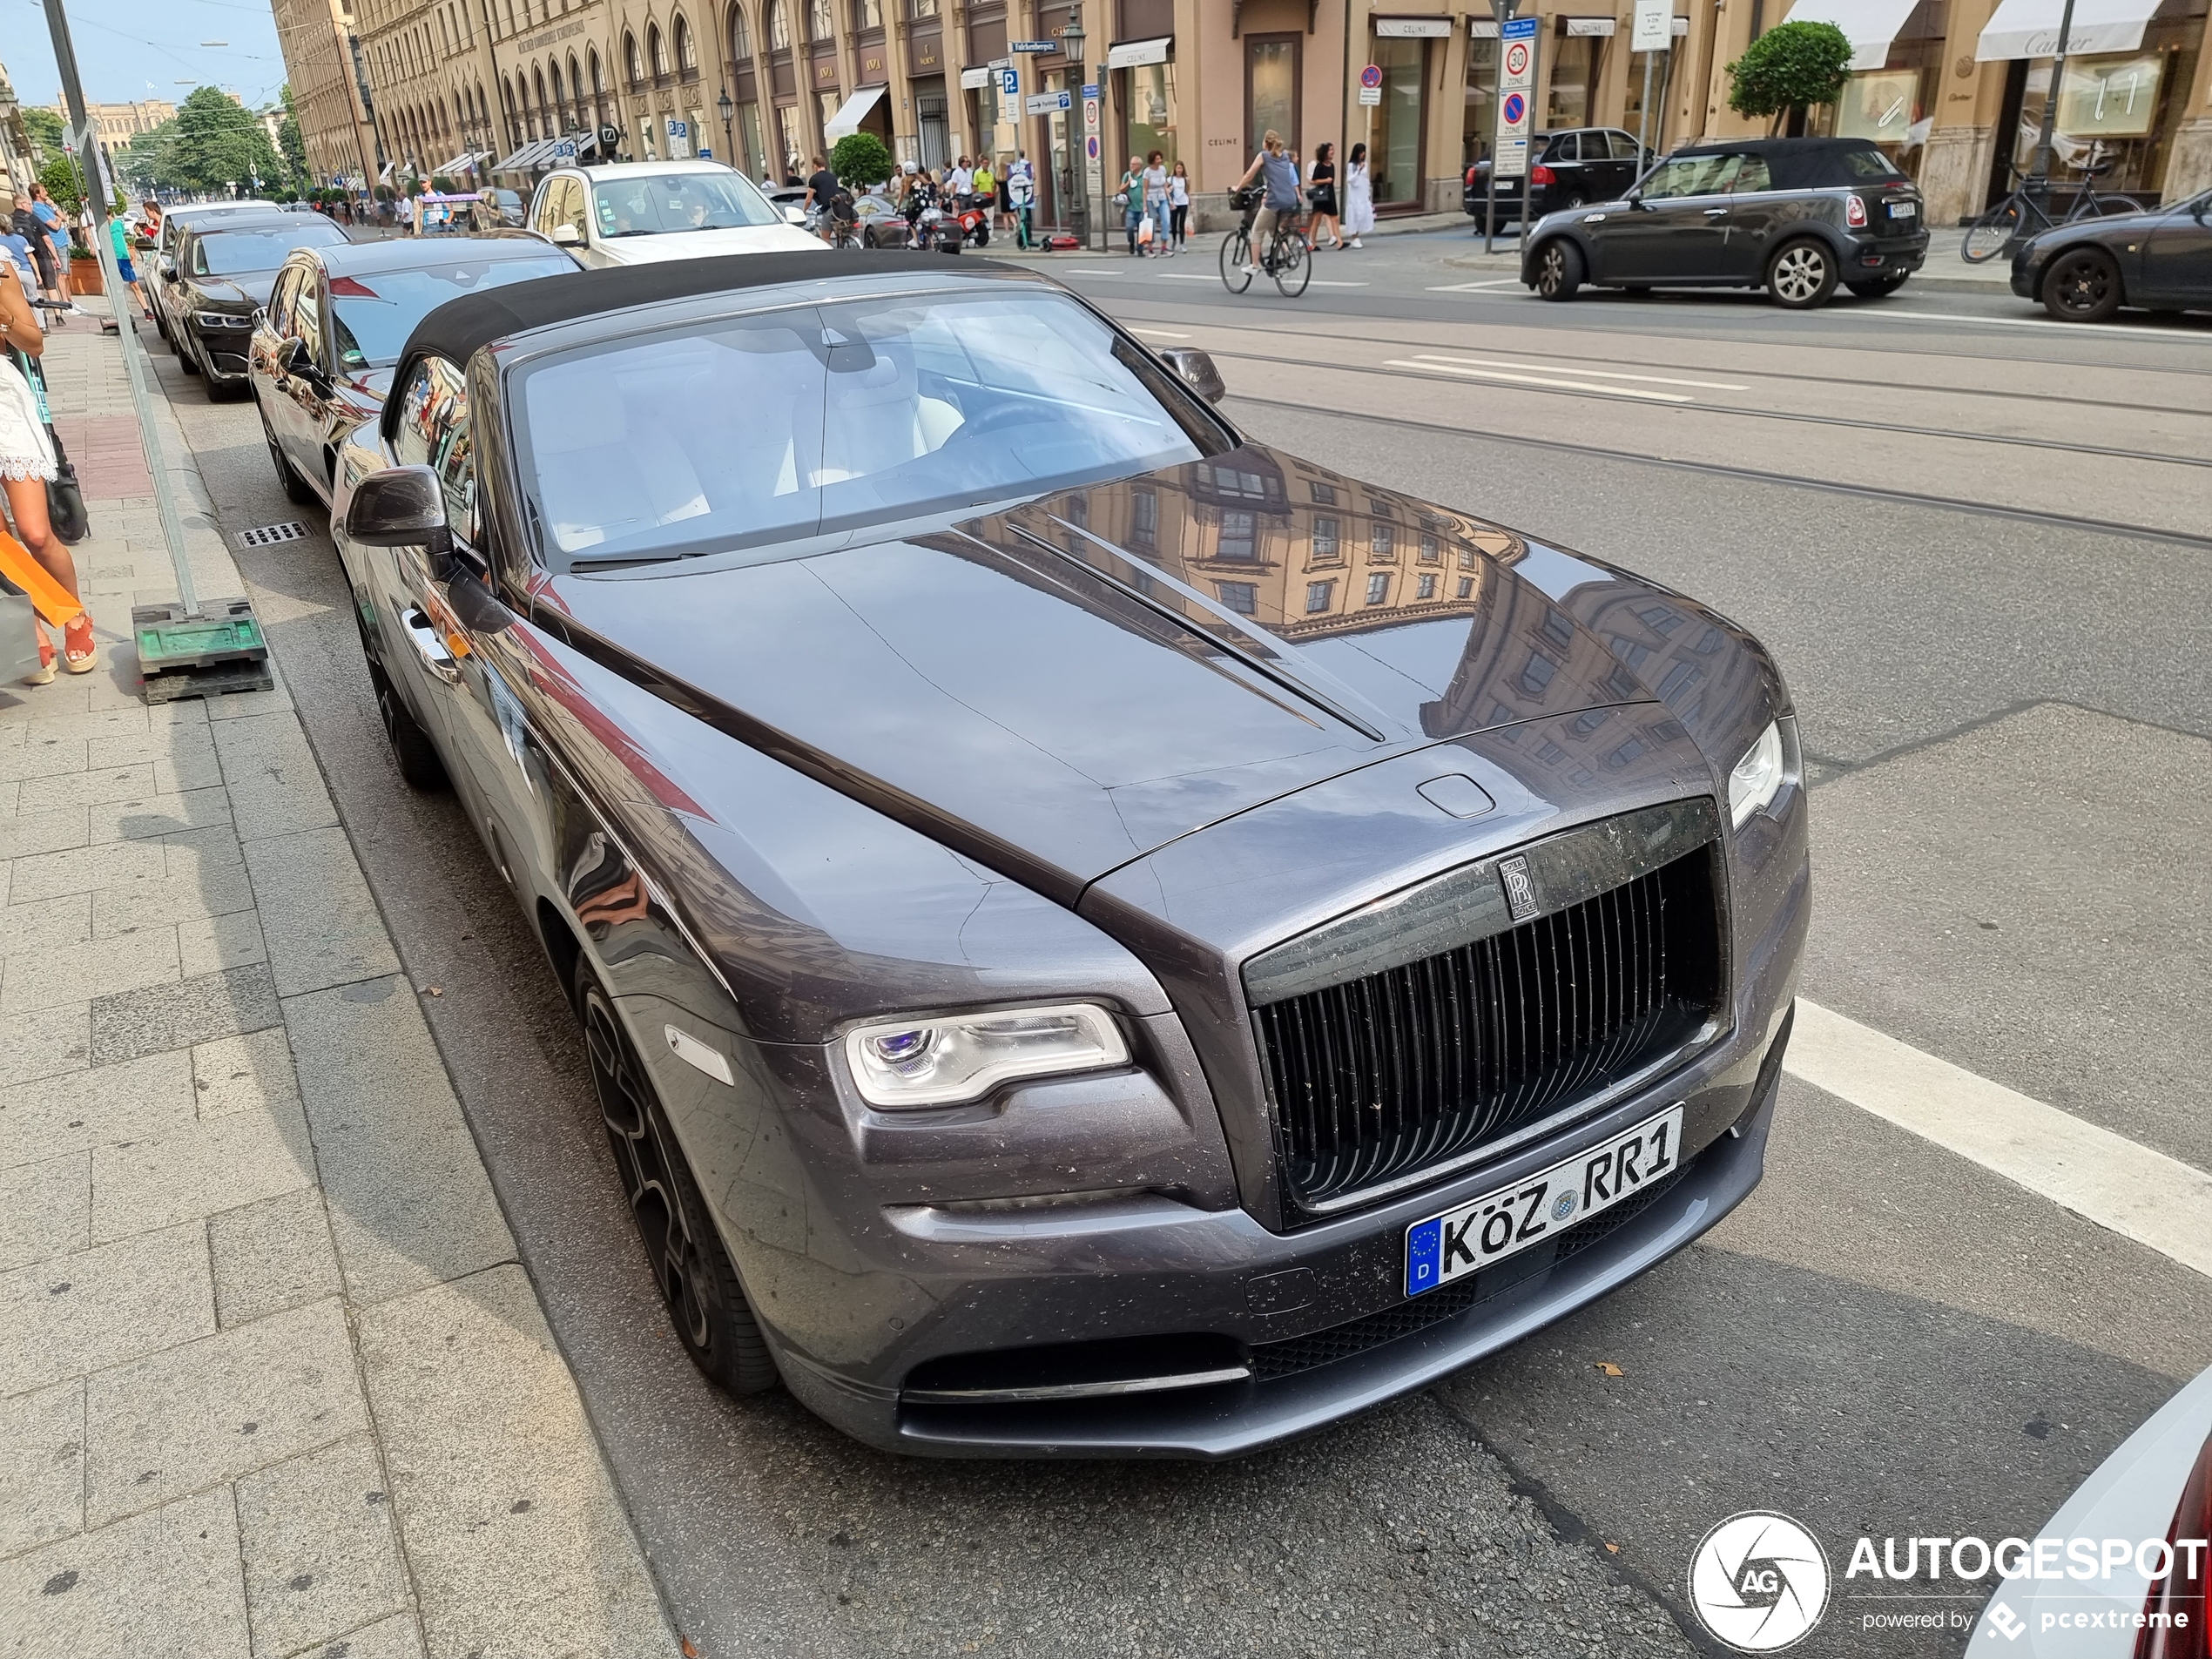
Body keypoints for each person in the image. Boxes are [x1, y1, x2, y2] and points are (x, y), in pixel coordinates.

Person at [0, 262, 95, 680]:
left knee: (36, 534)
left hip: (3, 406)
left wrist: (5, 320)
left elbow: (33, 343)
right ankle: (31, 631)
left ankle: (74, 618)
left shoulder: (0, 271)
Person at [1234, 131, 1302, 274]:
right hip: (1290, 200)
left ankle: (1255, 265)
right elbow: (1280, 177)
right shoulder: (1285, 156)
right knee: (1275, 231)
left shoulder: (1263, 156)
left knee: (1257, 230)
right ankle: (1288, 255)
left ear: (1266, 143)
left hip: (1275, 201)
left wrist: (1237, 188)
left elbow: (1249, 175)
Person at [107, 214, 149, 321]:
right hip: (112, 258)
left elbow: (122, 239)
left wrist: (129, 254)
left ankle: (146, 310)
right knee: (115, 286)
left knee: (134, 283)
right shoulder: (102, 227)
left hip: (123, 257)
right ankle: (122, 311)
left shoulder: (117, 223)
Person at [1306, 142, 1341, 251]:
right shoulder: (1319, 166)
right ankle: (1313, 242)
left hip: (1330, 194)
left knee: (1335, 217)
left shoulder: (1332, 165)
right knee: (1317, 219)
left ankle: (1340, 241)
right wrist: (1325, 180)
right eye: (1330, 150)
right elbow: (1314, 180)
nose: (1333, 152)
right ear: (1325, 152)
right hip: (1321, 195)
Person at [1342, 142, 1374, 249]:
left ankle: (1358, 234)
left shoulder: (1365, 164)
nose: (1363, 154)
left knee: (1362, 214)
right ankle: (1354, 236)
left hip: (1362, 192)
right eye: (1361, 152)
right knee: (1354, 213)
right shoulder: (1351, 165)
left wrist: (1368, 191)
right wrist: (1358, 170)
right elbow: (1350, 179)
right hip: (1354, 194)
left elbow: (1365, 178)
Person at [802, 154, 840, 240]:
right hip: (839, 208)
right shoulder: (833, 177)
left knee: (825, 238)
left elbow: (808, 200)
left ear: (815, 165)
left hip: (829, 208)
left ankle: (832, 253)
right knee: (839, 235)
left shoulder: (814, 179)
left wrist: (804, 210)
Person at [1141, 151, 1170, 256]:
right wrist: (1145, 204)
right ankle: (1150, 248)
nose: (1159, 161)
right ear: (1152, 160)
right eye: (1157, 159)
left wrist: (1170, 199)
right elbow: (1145, 189)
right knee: (1151, 224)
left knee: (1166, 221)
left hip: (1162, 198)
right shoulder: (1147, 172)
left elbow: (1165, 186)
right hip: (1151, 199)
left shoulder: (1162, 169)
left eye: (1160, 158)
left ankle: (1164, 247)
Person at [1116, 156, 1145, 256]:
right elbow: (1121, 189)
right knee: (1129, 228)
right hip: (1130, 207)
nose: (1131, 166)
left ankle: (1140, 248)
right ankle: (1131, 243)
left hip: (1142, 207)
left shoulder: (1144, 176)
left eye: (1134, 164)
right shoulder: (1127, 175)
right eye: (1131, 164)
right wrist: (1128, 183)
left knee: (1143, 230)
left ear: (1139, 166)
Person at [1007, 152, 1035, 248]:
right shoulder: (1028, 165)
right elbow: (1034, 177)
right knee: (1028, 217)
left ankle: (1023, 235)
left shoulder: (1013, 166)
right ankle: (1029, 236)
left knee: (1022, 216)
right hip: (1028, 194)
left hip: (1017, 195)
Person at [1168, 160, 1190, 250]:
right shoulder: (1170, 179)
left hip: (1183, 202)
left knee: (1181, 224)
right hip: (1174, 203)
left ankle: (1182, 243)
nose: (1179, 170)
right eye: (1178, 168)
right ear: (1175, 169)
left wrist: (1191, 203)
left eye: (1181, 168)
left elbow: (1187, 191)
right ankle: (1173, 241)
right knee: (1173, 224)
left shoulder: (1186, 179)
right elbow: (1165, 189)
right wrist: (1169, 190)